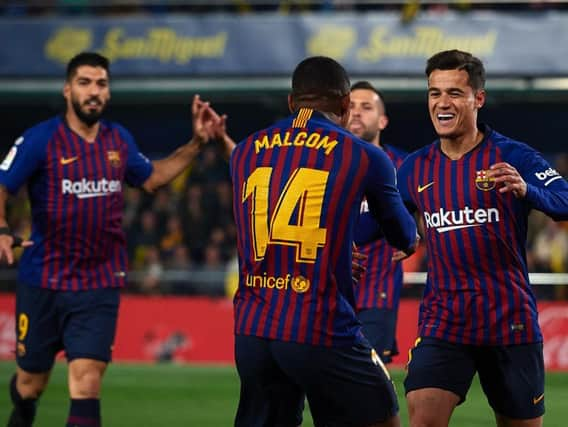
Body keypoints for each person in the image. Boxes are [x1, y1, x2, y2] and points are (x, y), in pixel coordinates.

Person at [0, 52, 220, 427]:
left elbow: (152, 177)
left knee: (86, 383)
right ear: (68, 90)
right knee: (30, 383)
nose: (94, 91)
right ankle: (22, 409)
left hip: (98, 284)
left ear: (108, 93)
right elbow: (2, 187)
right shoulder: (40, 140)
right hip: (43, 283)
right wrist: (3, 229)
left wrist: (197, 143)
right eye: (85, 83)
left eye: (101, 84)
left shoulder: (118, 140)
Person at [230, 56, 418, 427]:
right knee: (383, 417)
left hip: (252, 330)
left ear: (291, 101)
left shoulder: (244, 151)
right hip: (319, 323)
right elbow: (404, 235)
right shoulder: (364, 154)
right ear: (345, 104)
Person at [397, 49, 568, 427]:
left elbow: (565, 200)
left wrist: (528, 191)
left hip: (509, 321)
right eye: (434, 93)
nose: (442, 103)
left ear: (478, 98)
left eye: (454, 93)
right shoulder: (413, 168)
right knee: (422, 416)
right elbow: (384, 218)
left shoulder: (514, 156)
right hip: (444, 322)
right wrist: (394, 237)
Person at [347, 81, 407, 364]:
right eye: (350, 107)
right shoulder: (323, 164)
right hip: (329, 293)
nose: (356, 113)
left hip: (375, 295)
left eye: (366, 107)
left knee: (368, 386)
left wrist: (416, 235)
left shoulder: (403, 166)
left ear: (382, 120)